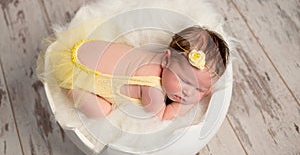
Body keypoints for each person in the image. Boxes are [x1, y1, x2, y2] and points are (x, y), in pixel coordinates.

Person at [40, 25, 229, 120]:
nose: (188, 92)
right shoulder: (153, 90)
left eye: (198, 88)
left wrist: (203, 89)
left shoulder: (159, 57)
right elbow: (164, 115)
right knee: (101, 111)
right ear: (165, 59)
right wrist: (191, 101)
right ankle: (72, 89)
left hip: (85, 49)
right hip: (80, 73)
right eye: (184, 81)